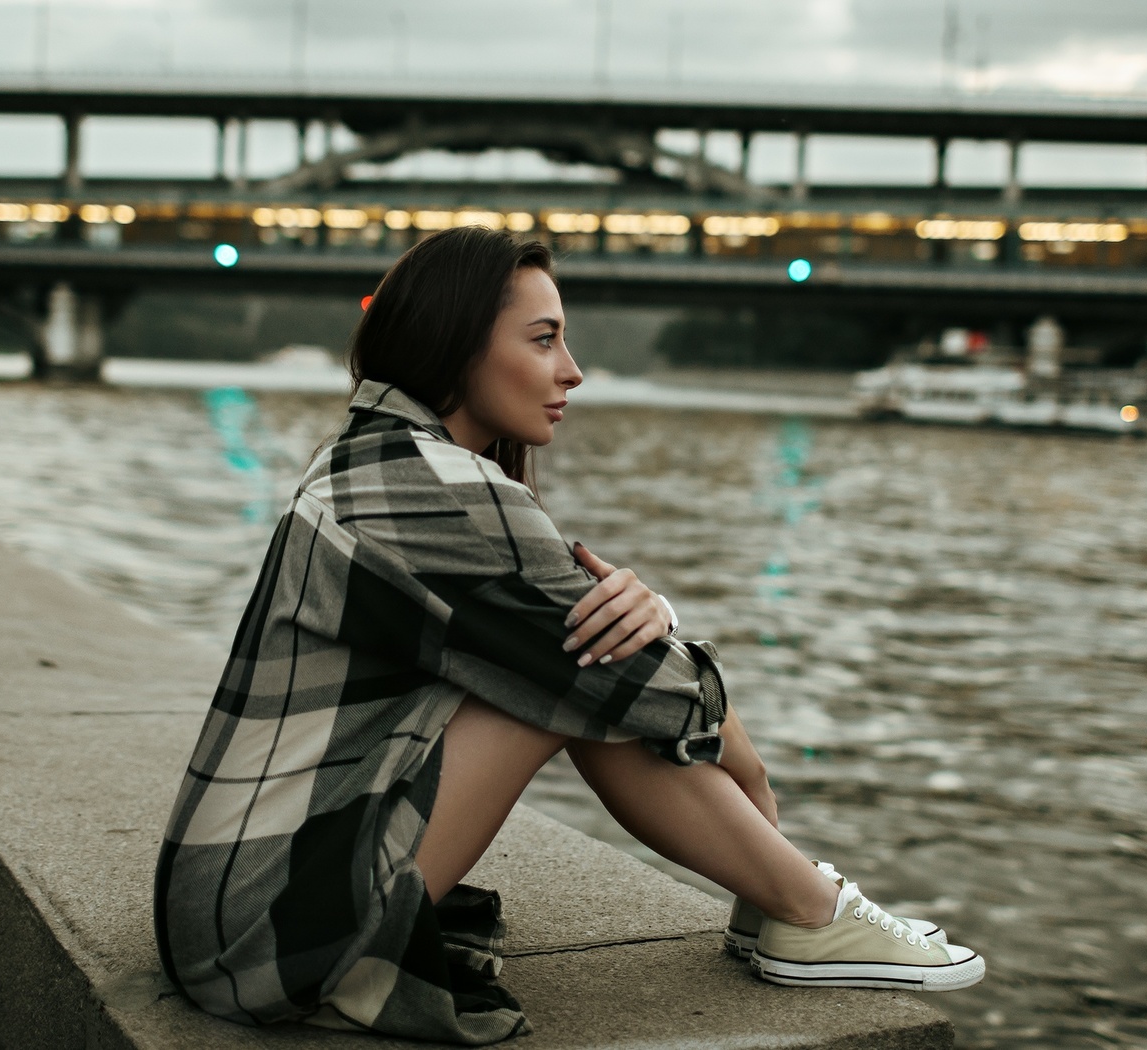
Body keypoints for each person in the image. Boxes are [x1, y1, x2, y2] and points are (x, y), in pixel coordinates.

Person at [153, 226, 983, 1044]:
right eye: (544, 340)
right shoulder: (433, 485)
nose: (572, 372)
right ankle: (810, 909)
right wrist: (722, 729)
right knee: (582, 673)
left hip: (228, 905)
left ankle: (789, 898)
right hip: (266, 933)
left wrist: (644, 618)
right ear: (455, 345)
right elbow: (641, 687)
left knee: (582, 660)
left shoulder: (367, 457)